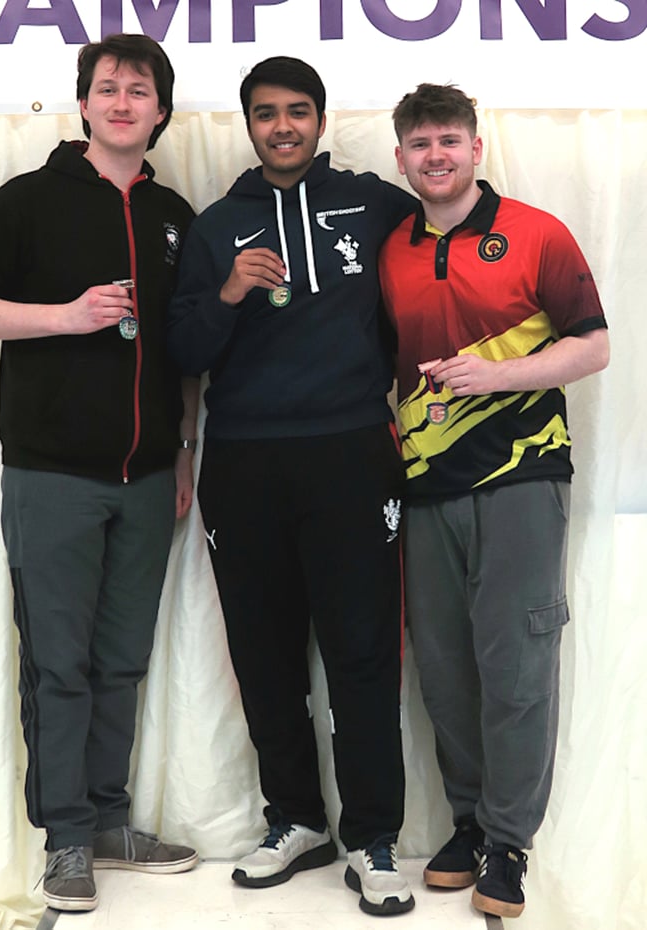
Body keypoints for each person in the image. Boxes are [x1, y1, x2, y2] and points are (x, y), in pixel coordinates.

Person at [0, 33, 200, 913]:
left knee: (121, 660)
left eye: (140, 90)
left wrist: (182, 456)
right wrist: (67, 315)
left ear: (161, 111)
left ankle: (111, 822)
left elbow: (187, 358)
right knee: (59, 665)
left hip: (148, 478)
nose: (123, 101)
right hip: (51, 476)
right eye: (107, 88)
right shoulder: (26, 201)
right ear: (83, 103)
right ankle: (65, 842)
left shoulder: (177, 220)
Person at [167, 57, 417, 918]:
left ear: (320, 119)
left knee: (361, 652)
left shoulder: (376, 202)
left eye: (298, 112)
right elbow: (184, 352)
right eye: (267, 113)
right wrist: (231, 291)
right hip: (245, 463)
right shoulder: (214, 227)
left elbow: (438, 245)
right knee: (264, 655)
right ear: (248, 124)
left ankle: (374, 838)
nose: (283, 126)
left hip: (351, 449)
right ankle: (296, 820)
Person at [378, 83, 609, 919]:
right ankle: (470, 822)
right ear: (399, 156)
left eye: (449, 140)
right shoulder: (392, 246)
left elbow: (595, 347)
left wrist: (500, 375)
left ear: (476, 149)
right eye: (419, 144)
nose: (435, 156)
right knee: (443, 672)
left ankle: (509, 843)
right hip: (426, 487)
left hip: (522, 478)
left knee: (515, 669)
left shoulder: (538, 233)